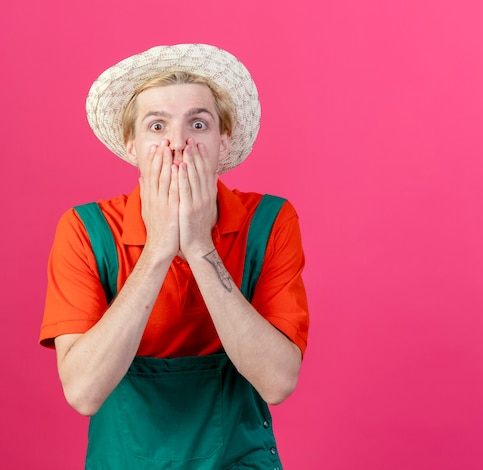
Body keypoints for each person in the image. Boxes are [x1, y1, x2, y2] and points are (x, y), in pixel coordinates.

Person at [40, 44, 309, 469]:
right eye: (157, 125)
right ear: (131, 145)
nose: (177, 144)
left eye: (198, 124)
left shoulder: (270, 221)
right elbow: (83, 392)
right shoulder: (85, 230)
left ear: (223, 142)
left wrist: (200, 247)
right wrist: (159, 248)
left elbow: (278, 382)